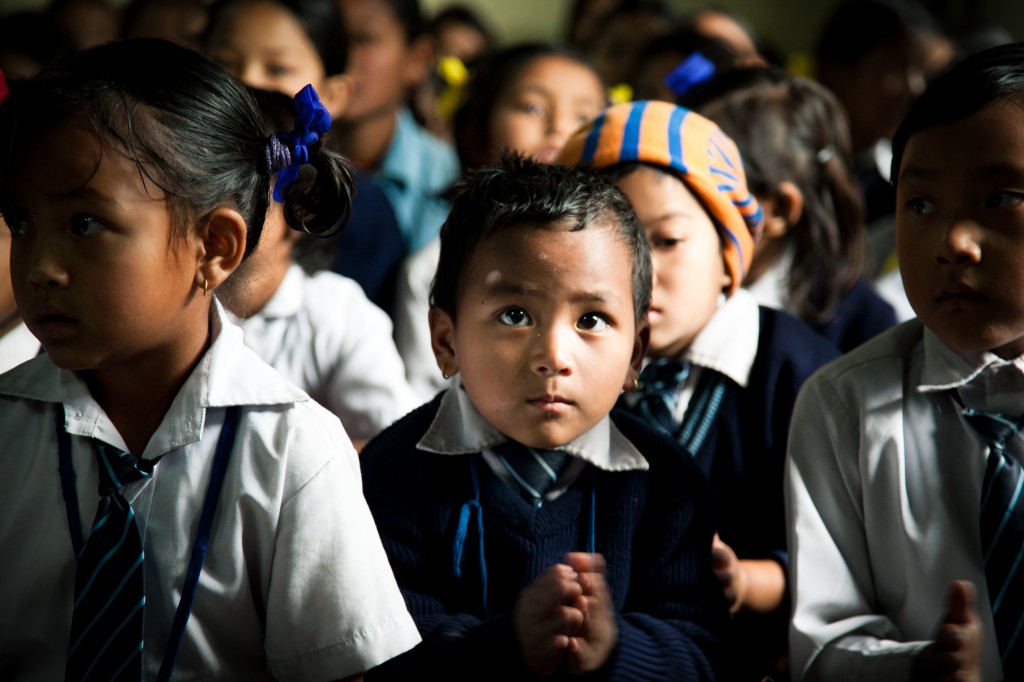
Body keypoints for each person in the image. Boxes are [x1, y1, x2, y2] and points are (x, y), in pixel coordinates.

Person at [0, 38, 419, 679]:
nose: (41, 269)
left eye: (85, 224)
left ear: (215, 247)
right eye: (23, 222)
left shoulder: (293, 449)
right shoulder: (6, 427)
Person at [361, 155, 727, 680]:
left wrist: (613, 650)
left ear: (635, 354)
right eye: (515, 315)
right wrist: (505, 647)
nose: (554, 356)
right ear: (446, 340)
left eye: (591, 319)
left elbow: (704, 654)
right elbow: (379, 651)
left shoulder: (668, 484)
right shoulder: (393, 473)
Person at [560, 100, 841, 681]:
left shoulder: (798, 374)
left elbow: (849, 554)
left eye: (667, 241)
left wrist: (752, 582)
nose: (638, 273)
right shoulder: (563, 366)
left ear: (728, 254)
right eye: (612, 245)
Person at [785, 41, 1024, 682]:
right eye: (921, 204)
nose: (953, 242)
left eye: (1001, 198)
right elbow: (824, 644)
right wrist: (918, 669)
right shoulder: (845, 406)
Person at [392, 42, 608, 403]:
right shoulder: (432, 270)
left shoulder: (621, 259)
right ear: (477, 131)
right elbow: (423, 399)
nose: (559, 128)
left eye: (583, 117)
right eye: (532, 108)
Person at [222, 86, 419, 451]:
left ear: (302, 206)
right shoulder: (176, 301)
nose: (217, 213)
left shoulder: (339, 313)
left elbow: (394, 444)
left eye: (239, 194)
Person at [204, 0, 406, 315]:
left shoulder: (363, 216)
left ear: (334, 94)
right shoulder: (170, 178)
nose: (247, 83)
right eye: (224, 62)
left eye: (278, 69)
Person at [683, 65, 898, 353]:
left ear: (778, 209)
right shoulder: (665, 283)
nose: (672, 200)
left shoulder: (862, 328)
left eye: (698, 188)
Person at [336, 0, 460, 257]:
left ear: (418, 58)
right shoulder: (281, 154)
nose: (341, 57)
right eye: (331, 37)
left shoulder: (440, 171)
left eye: (364, 39)